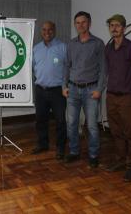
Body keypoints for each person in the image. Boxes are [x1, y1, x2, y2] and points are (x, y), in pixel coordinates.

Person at [62, 11, 106, 167]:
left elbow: (103, 69)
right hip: (72, 90)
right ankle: (74, 151)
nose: (80, 25)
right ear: (75, 25)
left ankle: (93, 155)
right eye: (77, 23)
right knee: (72, 123)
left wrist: (99, 89)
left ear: (89, 23)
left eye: (83, 22)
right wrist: (64, 86)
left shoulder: (98, 44)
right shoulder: (71, 44)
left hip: (91, 90)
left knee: (92, 125)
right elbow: (66, 65)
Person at [104, 14, 131, 182]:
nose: (114, 28)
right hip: (111, 96)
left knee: (130, 134)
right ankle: (119, 161)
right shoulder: (108, 48)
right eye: (111, 25)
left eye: (117, 25)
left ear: (124, 28)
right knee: (116, 132)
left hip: (127, 98)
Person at [31, 21, 67, 160]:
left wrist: (64, 86)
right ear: (41, 31)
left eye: (50, 30)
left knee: (60, 121)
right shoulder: (36, 48)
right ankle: (43, 144)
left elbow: (67, 69)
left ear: (55, 30)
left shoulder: (63, 47)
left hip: (58, 91)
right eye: (44, 30)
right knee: (40, 120)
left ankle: (60, 147)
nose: (47, 32)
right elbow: (34, 68)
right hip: (40, 90)